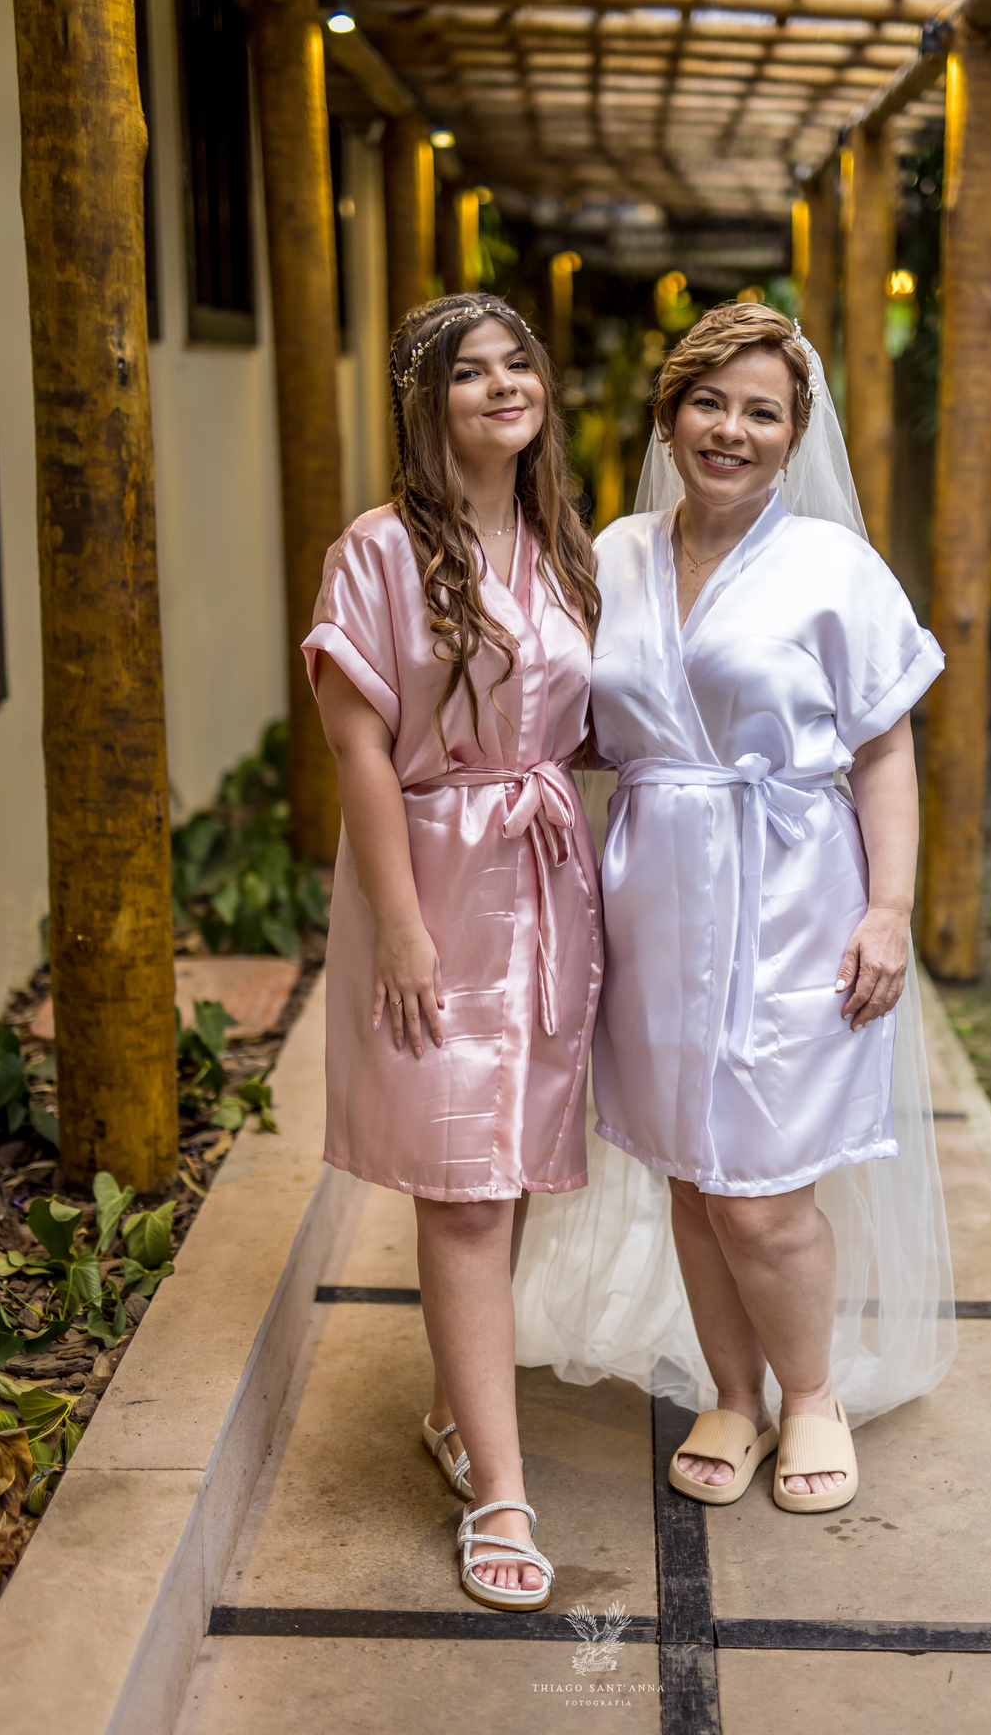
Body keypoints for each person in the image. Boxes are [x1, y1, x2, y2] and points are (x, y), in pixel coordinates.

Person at [514, 301, 954, 1512]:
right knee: (692, 1181)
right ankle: (735, 1394)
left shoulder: (833, 568)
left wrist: (890, 908)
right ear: (669, 417)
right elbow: (581, 720)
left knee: (762, 1194)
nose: (732, 429)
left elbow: (884, 747)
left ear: (794, 433)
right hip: (653, 898)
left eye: (763, 411)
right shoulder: (610, 557)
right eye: (709, 402)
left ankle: (811, 1394)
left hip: (795, 899)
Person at [302, 293, 602, 1610]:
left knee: (512, 1167)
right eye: (471, 372)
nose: (502, 386)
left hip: (546, 880)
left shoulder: (560, 543)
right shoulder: (373, 552)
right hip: (434, 878)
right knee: (465, 1189)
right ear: (427, 405)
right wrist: (404, 928)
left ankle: (453, 1409)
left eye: (517, 364)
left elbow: (584, 727)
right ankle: (502, 1491)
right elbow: (358, 747)